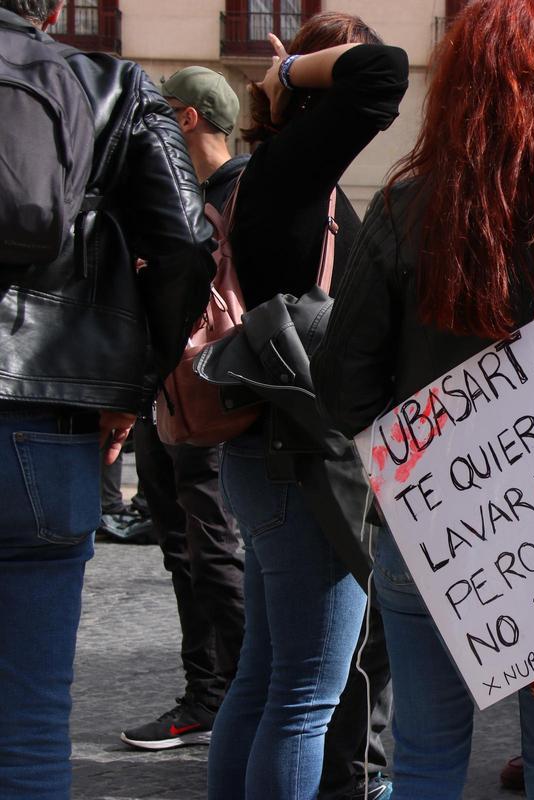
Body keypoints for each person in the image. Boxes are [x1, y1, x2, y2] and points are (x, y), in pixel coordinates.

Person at [312, 1, 534, 796]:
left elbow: (344, 388)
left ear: (460, 88)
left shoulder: (408, 208)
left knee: (428, 759)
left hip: (439, 524)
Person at [0, 1, 214, 796]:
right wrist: (133, 386)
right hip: (46, 422)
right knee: (28, 724)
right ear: (55, 7)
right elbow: (188, 242)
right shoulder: (110, 84)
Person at [204, 15, 408, 800]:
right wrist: (288, 76)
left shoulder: (275, 173)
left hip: (269, 452)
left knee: (264, 680)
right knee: (303, 698)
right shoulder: (292, 167)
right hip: (300, 461)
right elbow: (383, 72)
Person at [118, 65, 248, 753]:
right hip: (170, 391)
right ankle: (210, 692)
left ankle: (234, 693)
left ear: (188, 118)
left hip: (203, 392)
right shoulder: (196, 191)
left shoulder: (233, 192)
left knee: (212, 549)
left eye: (165, 112)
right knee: (182, 548)